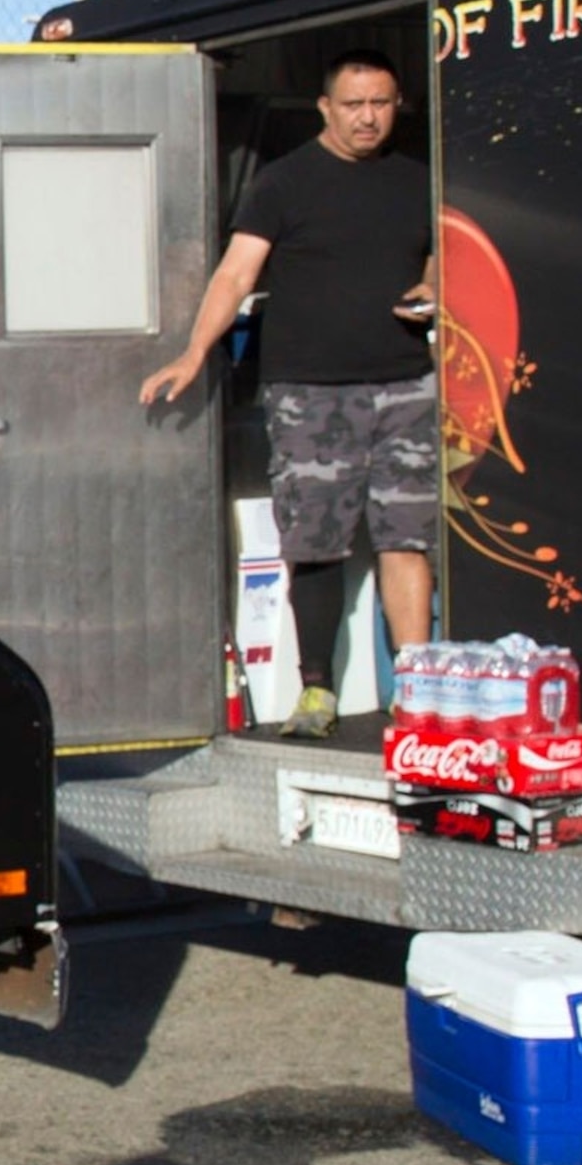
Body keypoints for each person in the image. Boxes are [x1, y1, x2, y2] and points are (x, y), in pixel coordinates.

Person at [139, 49, 437, 739]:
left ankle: (417, 686)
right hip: (310, 393)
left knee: (405, 540)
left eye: (382, 103)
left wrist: (434, 282)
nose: (369, 117)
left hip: (406, 387)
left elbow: (441, 252)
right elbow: (236, 274)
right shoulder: (283, 182)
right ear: (326, 108)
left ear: (398, 107)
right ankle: (317, 692)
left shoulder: (420, 179)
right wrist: (193, 354)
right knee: (316, 542)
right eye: (355, 104)